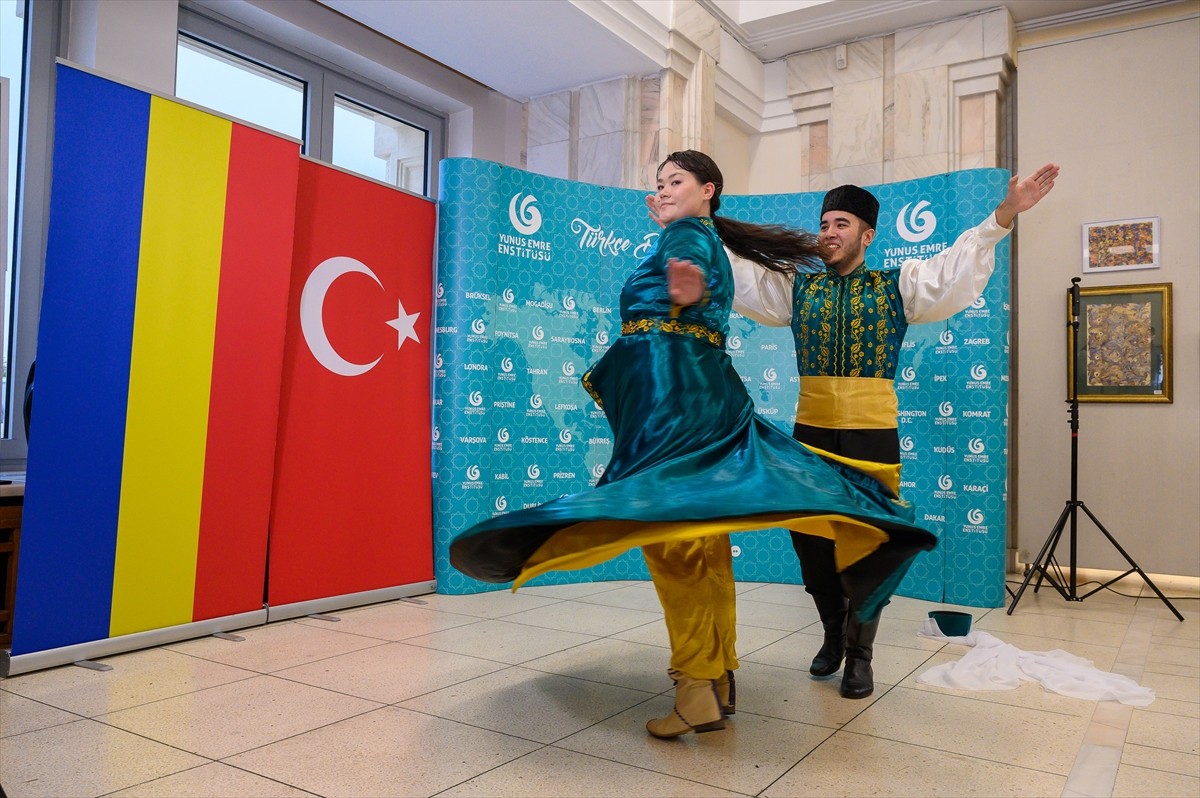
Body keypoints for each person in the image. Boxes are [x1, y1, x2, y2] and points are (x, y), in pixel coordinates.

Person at [450, 151, 938, 739]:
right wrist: (679, 260)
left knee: (673, 540)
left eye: (675, 180)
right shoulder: (699, 235)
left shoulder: (688, 235)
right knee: (697, 538)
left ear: (708, 189)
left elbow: (688, 275)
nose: (662, 189)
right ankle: (715, 679)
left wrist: (681, 273)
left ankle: (697, 687)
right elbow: (695, 276)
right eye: (658, 182)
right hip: (691, 398)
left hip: (670, 405)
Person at [676, 164, 1058, 700]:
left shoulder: (896, 287)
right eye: (825, 223)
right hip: (810, 436)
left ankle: (860, 657)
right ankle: (833, 633)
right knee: (811, 546)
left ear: (867, 235)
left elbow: (954, 269)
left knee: (869, 547)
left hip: (872, 438)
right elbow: (739, 275)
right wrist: (697, 220)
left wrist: (1005, 214)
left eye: (841, 224)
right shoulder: (795, 290)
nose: (828, 233)